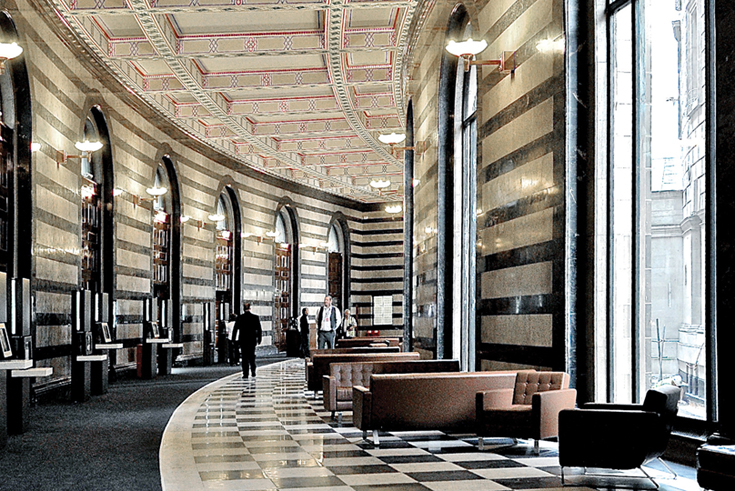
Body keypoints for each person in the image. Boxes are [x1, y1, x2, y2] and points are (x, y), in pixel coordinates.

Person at [231, 303, 262, 379]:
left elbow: (235, 329)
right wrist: (259, 339)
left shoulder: (240, 318)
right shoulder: (255, 317)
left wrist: (233, 339)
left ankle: (245, 373)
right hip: (252, 340)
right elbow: (259, 329)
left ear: (243, 309)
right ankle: (253, 371)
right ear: (250, 308)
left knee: (244, 357)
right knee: (251, 356)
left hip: (243, 340)